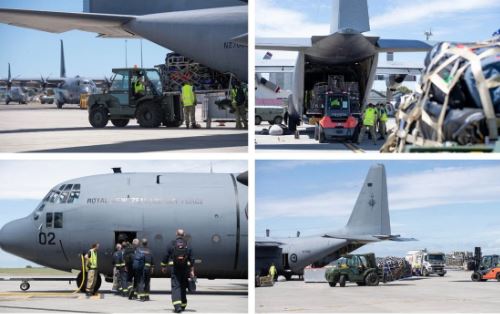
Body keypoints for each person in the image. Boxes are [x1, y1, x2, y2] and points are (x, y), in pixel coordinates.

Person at [162, 229, 195, 313]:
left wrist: (163, 266)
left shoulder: (172, 243)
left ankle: (177, 306)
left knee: (176, 286)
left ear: (176, 234)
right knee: (183, 286)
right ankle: (183, 304)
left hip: (175, 268)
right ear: (184, 235)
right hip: (185, 268)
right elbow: (192, 259)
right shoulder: (188, 244)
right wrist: (192, 270)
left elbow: (166, 255)